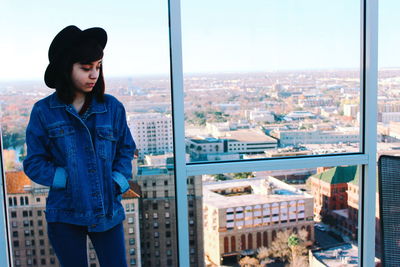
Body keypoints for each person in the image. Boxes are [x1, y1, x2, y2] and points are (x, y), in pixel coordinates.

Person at [23, 25, 136, 267]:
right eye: (86, 68)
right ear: (67, 68)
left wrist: (117, 181)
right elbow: (33, 162)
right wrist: (67, 178)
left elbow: (126, 150)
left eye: (97, 67)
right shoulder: (44, 112)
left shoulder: (112, 108)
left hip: (107, 212)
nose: (94, 74)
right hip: (65, 213)